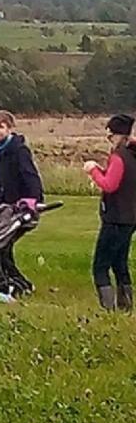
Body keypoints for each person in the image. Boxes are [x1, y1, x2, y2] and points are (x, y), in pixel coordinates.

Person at [84, 114, 136, 312]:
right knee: (120, 263)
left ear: (118, 135)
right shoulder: (133, 155)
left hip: (115, 219)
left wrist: (93, 170)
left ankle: (108, 310)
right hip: (130, 218)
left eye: (110, 136)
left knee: (100, 266)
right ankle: (126, 306)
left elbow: (110, 185)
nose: (109, 140)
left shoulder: (118, 157)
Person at [0, 110, 44, 207]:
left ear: (9, 129)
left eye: (1, 127)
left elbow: (30, 176)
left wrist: (35, 200)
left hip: (20, 204)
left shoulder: (20, 150)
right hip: (0, 203)